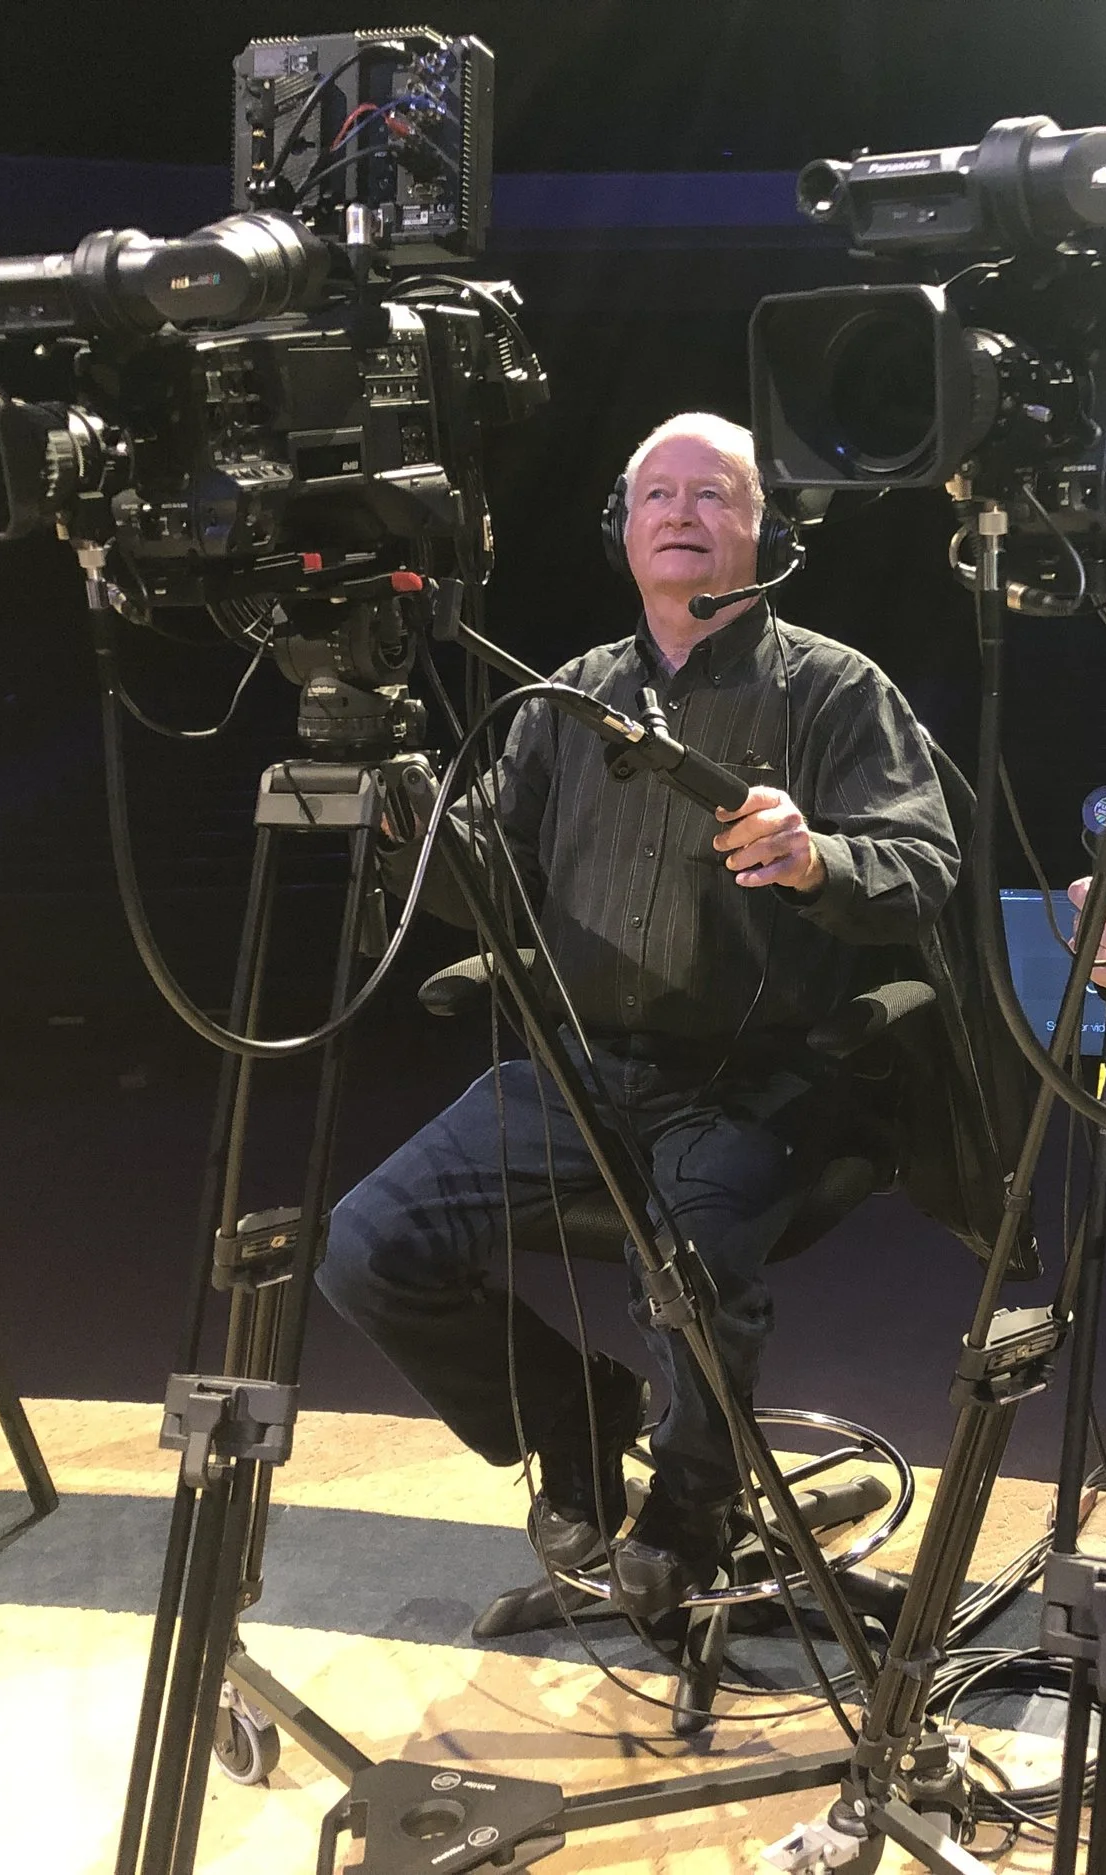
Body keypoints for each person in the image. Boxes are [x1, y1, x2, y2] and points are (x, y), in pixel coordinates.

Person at [318, 412, 958, 1620]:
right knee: (367, 1247)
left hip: (757, 1076)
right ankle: (578, 1416)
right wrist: (405, 817)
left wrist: (816, 858)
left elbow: (922, 869)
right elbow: (483, 884)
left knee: (689, 1262)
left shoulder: (831, 690)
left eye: (712, 494)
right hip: (579, 1065)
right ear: (620, 527)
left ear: (764, 530)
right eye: (656, 493)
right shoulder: (566, 701)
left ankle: (691, 1503)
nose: (680, 512)